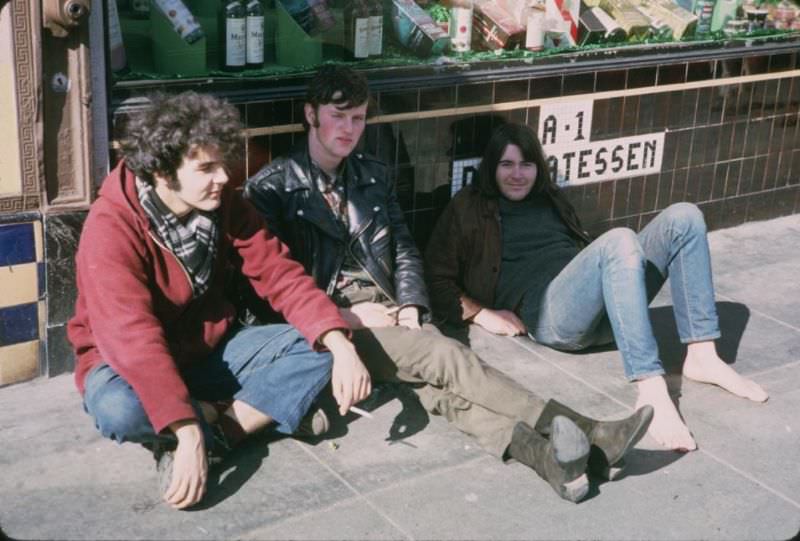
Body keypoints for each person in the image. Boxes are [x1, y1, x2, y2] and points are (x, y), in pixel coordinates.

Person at [244, 65, 653, 503]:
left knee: (440, 391)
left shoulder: (372, 175)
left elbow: (402, 247)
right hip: (331, 324)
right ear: (310, 114)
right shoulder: (272, 190)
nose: (349, 129)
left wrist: (412, 305)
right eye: (338, 116)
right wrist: (345, 317)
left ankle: (550, 460)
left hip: (385, 306)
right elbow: (269, 294)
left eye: (358, 118)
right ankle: (588, 433)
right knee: (444, 355)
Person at [67, 91, 371, 510]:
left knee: (318, 346)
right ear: (161, 171)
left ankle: (221, 429)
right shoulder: (110, 228)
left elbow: (278, 272)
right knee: (117, 411)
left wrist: (339, 342)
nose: (224, 177)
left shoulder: (222, 201)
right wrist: (188, 429)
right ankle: (253, 412)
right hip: (122, 363)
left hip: (207, 347)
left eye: (222, 163)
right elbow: (132, 339)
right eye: (206, 168)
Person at [424, 122, 769, 453]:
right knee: (619, 240)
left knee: (684, 216)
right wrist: (481, 313)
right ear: (491, 168)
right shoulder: (469, 206)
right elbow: (434, 275)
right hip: (552, 315)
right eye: (507, 165)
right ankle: (650, 386)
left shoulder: (549, 197)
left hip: (602, 307)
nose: (517, 174)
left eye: (526, 164)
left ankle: (703, 356)